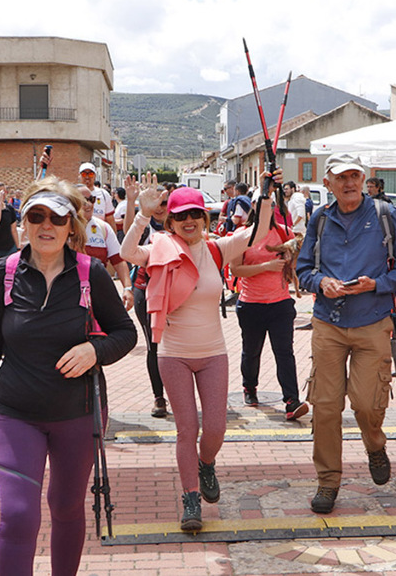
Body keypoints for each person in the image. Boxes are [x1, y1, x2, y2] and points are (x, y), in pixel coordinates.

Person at [0, 177, 136, 576]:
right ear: (24, 224)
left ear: (72, 225)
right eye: (37, 216)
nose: (47, 225)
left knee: (67, 507)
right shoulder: (5, 274)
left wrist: (94, 350)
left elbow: (126, 334)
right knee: (18, 514)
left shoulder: (91, 275)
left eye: (57, 217)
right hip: (17, 413)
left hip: (78, 414)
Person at [121, 173, 276, 532]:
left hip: (213, 353)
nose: (188, 221)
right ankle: (191, 498)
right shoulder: (159, 246)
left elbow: (258, 232)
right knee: (185, 429)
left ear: (205, 219)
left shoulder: (217, 248)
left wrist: (265, 193)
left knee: (216, 430)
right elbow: (128, 252)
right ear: (171, 221)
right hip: (172, 353)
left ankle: (206, 463)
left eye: (196, 214)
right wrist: (142, 214)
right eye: (180, 216)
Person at [295, 153, 396, 515]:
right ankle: (328, 482)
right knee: (326, 407)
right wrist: (322, 282)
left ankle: (375, 445)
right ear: (327, 182)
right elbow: (302, 271)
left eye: (354, 176)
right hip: (328, 323)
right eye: (341, 177)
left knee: (366, 403)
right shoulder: (319, 219)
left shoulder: (384, 215)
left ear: (364, 180)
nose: (349, 183)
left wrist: (375, 284)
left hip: (373, 320)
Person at [230, 207, 308, 421]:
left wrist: (292, 257)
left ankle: (292, 401)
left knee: (284, 353)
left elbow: (296, 262)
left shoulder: (284, 233)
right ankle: (249, 387)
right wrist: (267, 266)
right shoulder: (241, 236)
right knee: (251, 351)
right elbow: (235, 269)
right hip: (251, 304)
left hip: (280, 303)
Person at [128, 186, 171, 418]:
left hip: (174, 296)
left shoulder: (179, 225)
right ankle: (159, 397)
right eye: (156, 203)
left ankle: (179, 394)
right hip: (145, 293)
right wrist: (133, 203)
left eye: (164, 203)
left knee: (175, 347)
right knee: (154, 347)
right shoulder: (143, 224)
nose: (159, 207)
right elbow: (127, 243)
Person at [76, 184, 134, 311]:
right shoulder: (62, 227)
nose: (89, 204)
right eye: (83, 200)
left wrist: (127, 288)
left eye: (91, 199)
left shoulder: (104, 228)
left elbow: (119, 261)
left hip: (99, 295)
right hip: (70, 296)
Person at [78, 162, 116, 231]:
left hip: (99, 237)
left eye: (91, 174)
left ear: (95, 176)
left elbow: (111, 220)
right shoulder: (74, 194)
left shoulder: (104, 194)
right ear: (79, 176)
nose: (87, 177)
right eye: (83, 174)